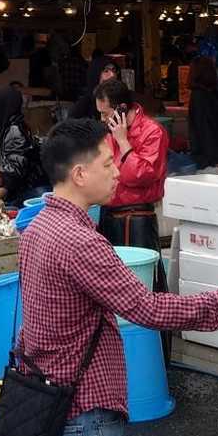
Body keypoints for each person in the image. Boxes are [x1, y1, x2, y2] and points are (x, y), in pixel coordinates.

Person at [19, 119, 218, 436]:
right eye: (108, 164)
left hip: (54, 394)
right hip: (84, 406)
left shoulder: (37, 228)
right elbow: (148, 308)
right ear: (79, 174)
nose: (117, 172)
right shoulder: (80, 242)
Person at [93, 79, 169, 288]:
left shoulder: (153, 131)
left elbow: (141, 175)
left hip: (137, 217)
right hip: (108, 213)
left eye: (105, 113)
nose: (102, 119)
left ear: (121, 109)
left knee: (143, 285)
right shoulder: (107, 132)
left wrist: (123, 141)